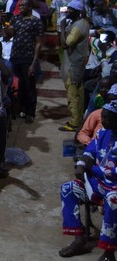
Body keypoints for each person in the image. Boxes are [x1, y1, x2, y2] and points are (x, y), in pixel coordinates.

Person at [59, 101, 117, 259]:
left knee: (113, 201)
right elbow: (90, 151)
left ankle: (109, 252)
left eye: (108, 118)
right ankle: (79, 239)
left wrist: (93, 169)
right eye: (103, 117)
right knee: (68, 189)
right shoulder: (102, 133)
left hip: (114, 188)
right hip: (97, 183)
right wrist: (81, 164)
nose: (103, 121)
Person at [8, 0, 44, 123]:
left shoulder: (36, 21)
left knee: (29, 86)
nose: (21, 7)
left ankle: (30, 112)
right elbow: (8, 35)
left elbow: (39, 43)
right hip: (15, 56)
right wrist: (4, 24)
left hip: (28, 57)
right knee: (20, 84)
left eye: (24, 5)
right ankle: (21, 109)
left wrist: (34, 63)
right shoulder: (15, 18)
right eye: (20, 5)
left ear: (30, 7)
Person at [59, 0, 91, 132]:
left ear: (77, 12)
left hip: (73, 64)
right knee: (79, 92)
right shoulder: (84, 22)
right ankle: (79, 119)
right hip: (80, 63)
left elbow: (66, 43)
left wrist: (61, 28)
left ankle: (74, 122)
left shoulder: (77, 26)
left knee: (72, 93)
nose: (67, 12)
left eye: (70, 10)